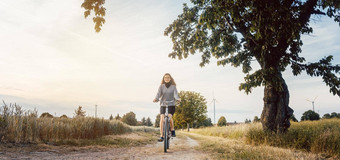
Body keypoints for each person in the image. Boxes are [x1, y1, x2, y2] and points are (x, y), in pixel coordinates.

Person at [153, 73, 181, 142]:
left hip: (171, 104)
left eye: (168, 77)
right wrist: (156, 99)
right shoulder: (161, 87)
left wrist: (178, 99)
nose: (167, 79)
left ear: (170, 78)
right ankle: (162, 136)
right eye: (165, 77)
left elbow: (175, 94)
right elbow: (158, 94)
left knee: (169, 117)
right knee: (162, 119)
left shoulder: (173, 87)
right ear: (163, 79)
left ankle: (172, 129)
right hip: (163, 104)